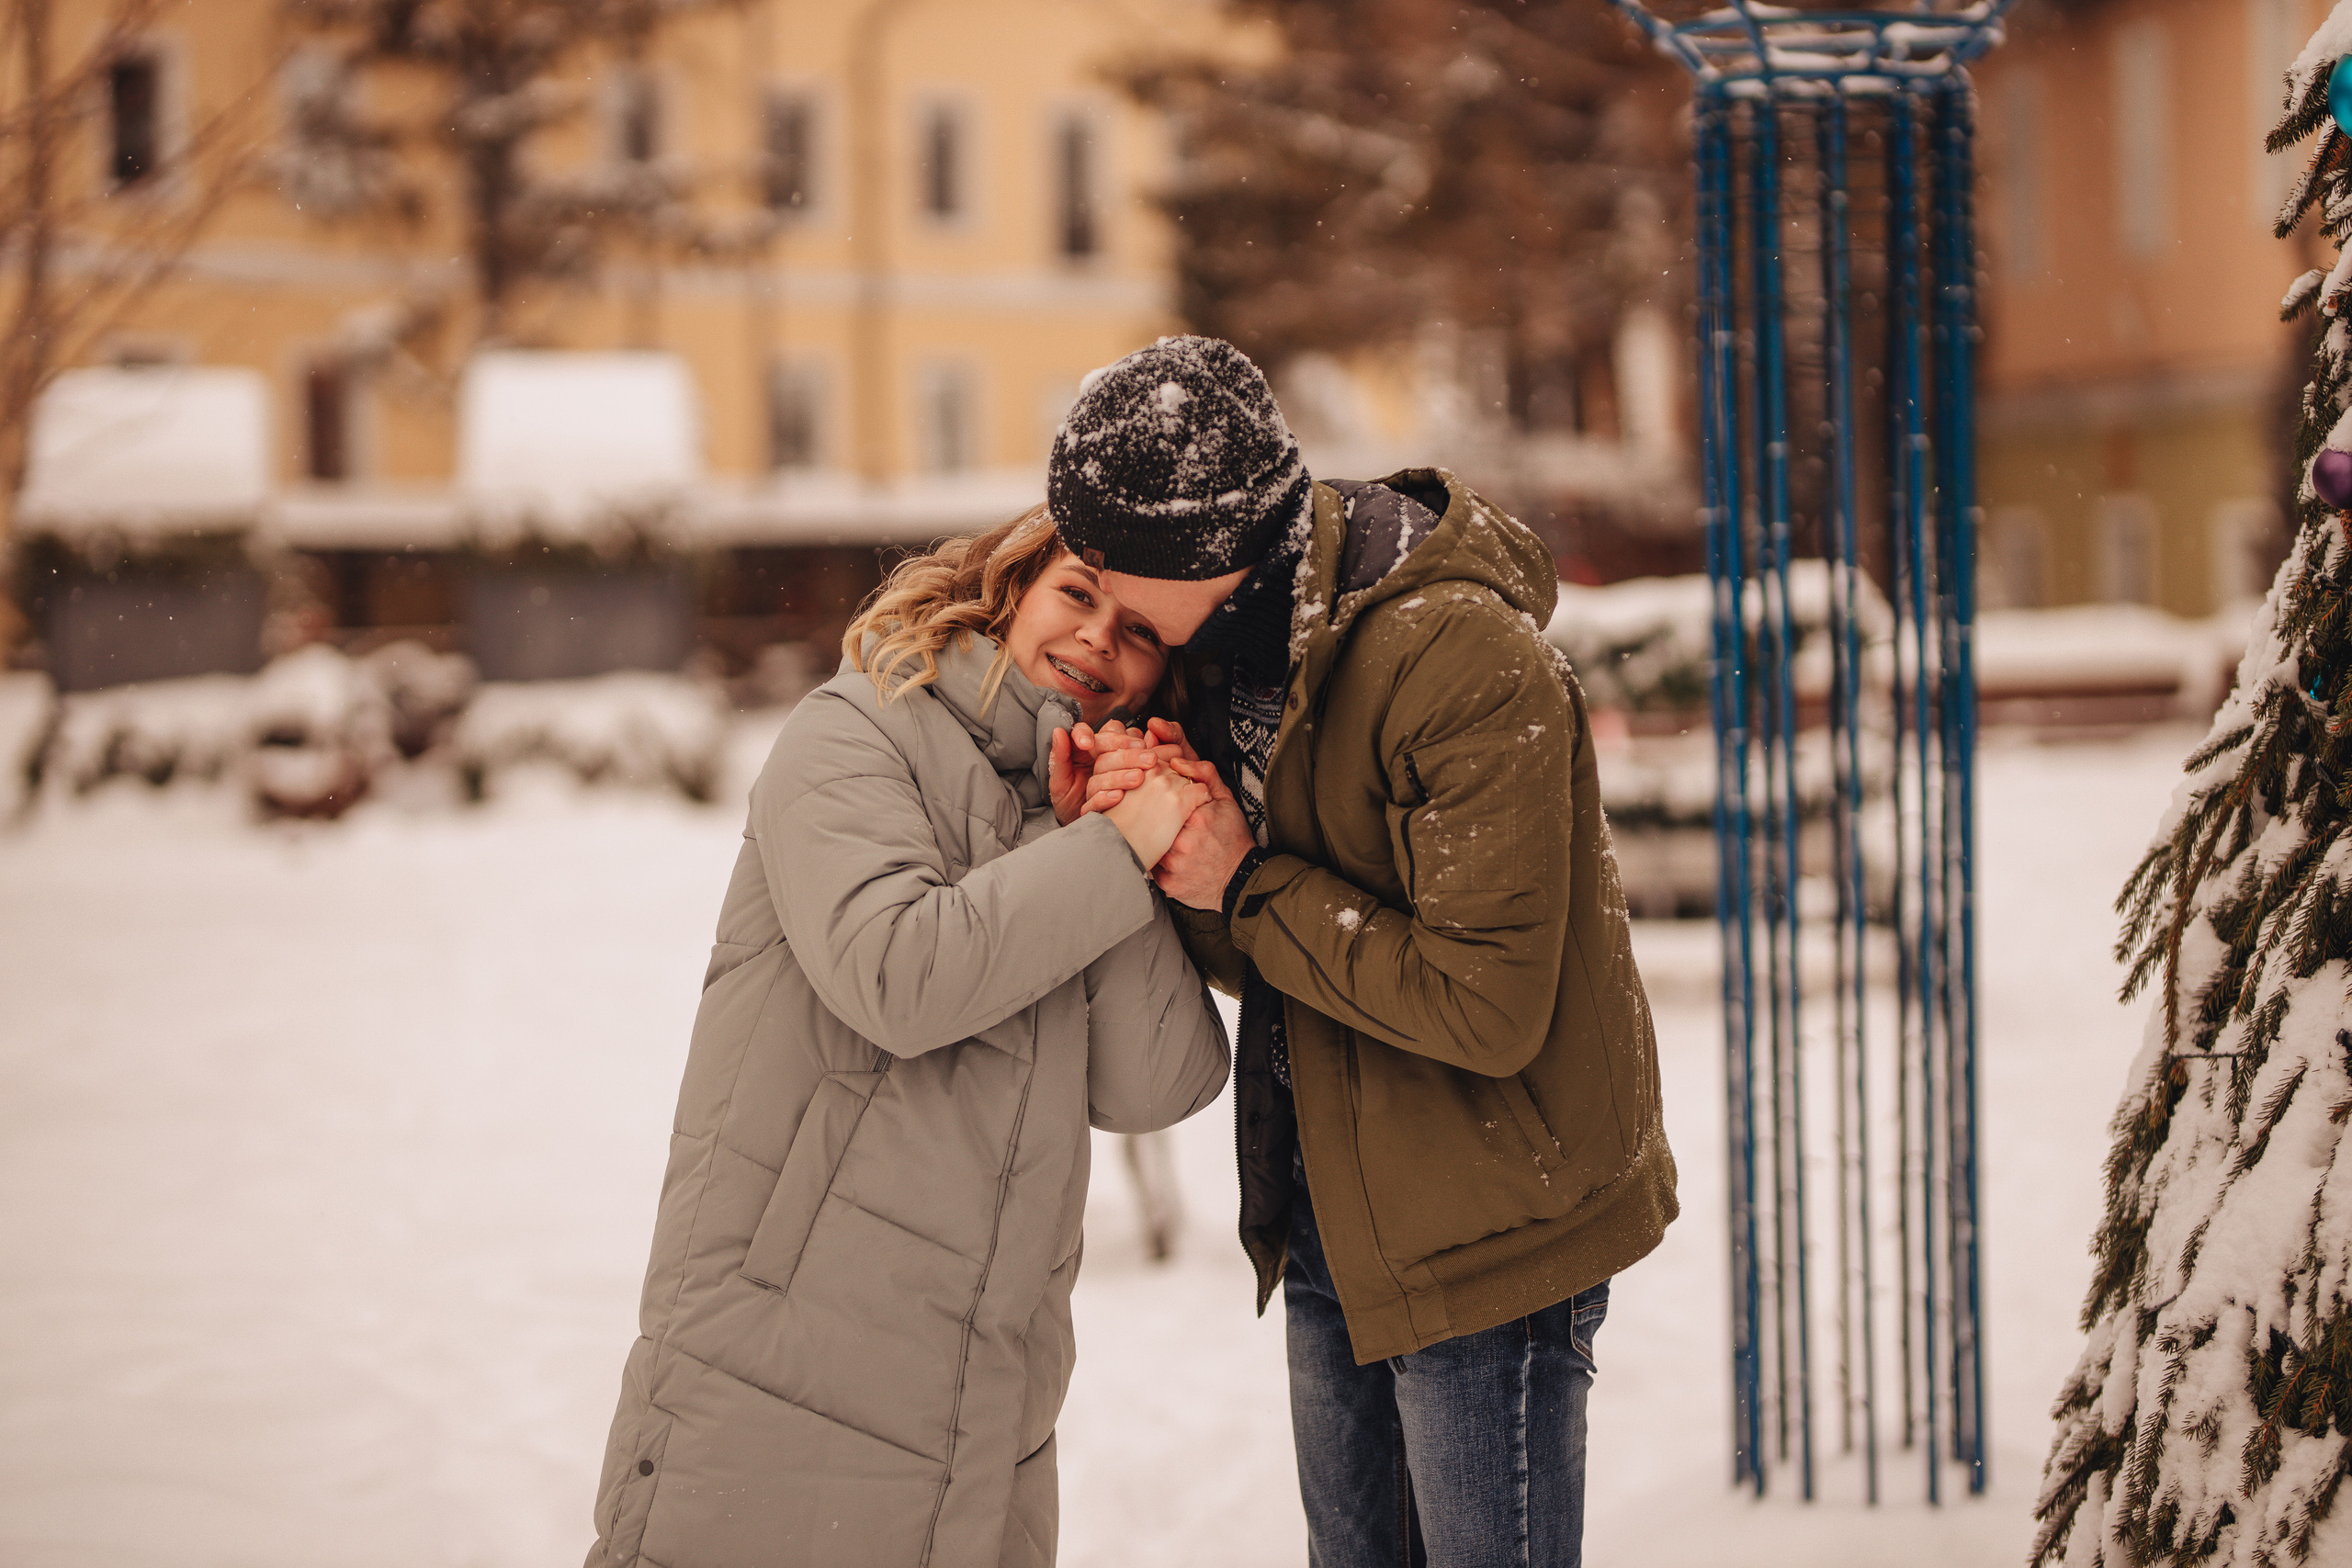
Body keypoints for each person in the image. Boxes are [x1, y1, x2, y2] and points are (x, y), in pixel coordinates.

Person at [1049, 336, 1678, 1568]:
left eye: (1115, 575)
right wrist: (1157, 835)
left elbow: (1482, 998)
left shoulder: (1455, 655)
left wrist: (1240, 873)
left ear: (1209, 551)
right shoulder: (1225, 658)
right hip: (1335, 1207)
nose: (1099, 611)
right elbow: (1278, 948)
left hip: (1493, 1224)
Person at [582, 506, 1231, 1568]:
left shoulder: (1074, 819)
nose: (1098, 642)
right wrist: (1114, 851)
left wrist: (1102, 838)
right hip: (777, 1385)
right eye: (1077, 594)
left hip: (985, 1420)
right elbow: (899, 972)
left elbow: (1163, 1081)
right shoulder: (853, 730)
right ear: (1013, 586)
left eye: (1142, 632)